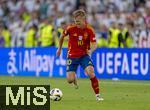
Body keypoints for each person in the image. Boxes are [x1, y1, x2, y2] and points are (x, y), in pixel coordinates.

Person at [56, 9, 104, 101]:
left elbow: (94, 44)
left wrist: (91, 51)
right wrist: (59, 49)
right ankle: (74, 79)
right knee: (70, 80)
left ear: (84, 19)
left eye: (78, 21)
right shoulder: (70, 28)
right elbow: (62, 36)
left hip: (83, 55)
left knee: (91, 73)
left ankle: (98, 96)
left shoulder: (89, 30)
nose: (76, 23)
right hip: (72, 56)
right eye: (75, 21)